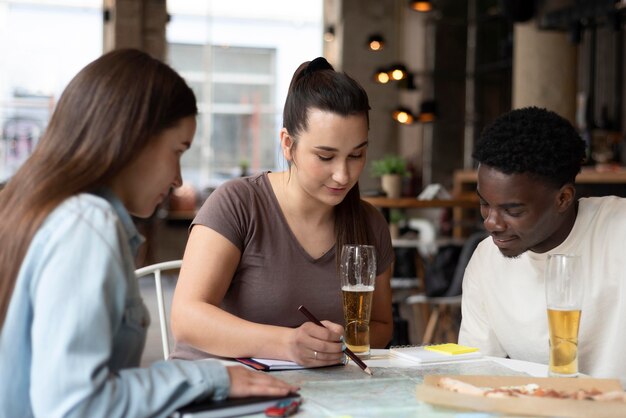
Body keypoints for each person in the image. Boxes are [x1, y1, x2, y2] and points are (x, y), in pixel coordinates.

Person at [0, 49, 296, 418]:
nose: (178, 179)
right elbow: (74, 405)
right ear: (133, 138)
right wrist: (211, 378)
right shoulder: (87, 225)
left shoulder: (45, 211)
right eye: (177, 151)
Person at [170, 57, 394, 366]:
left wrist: (338, 345)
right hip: (217, 383)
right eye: (325, 156)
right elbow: (186, 318)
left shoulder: (370, 223)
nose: (343, 175)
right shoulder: (238, 203)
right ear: (288, 144)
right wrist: (287, 344)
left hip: (312, 390)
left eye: (356, 154)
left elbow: (381, 325)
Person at [458, 106, 626, 383]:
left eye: (512, 210)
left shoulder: (618, 232)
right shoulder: (486, 260)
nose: (491, 223)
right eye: (484, 204)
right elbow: (478, 371)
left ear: (563, 198)